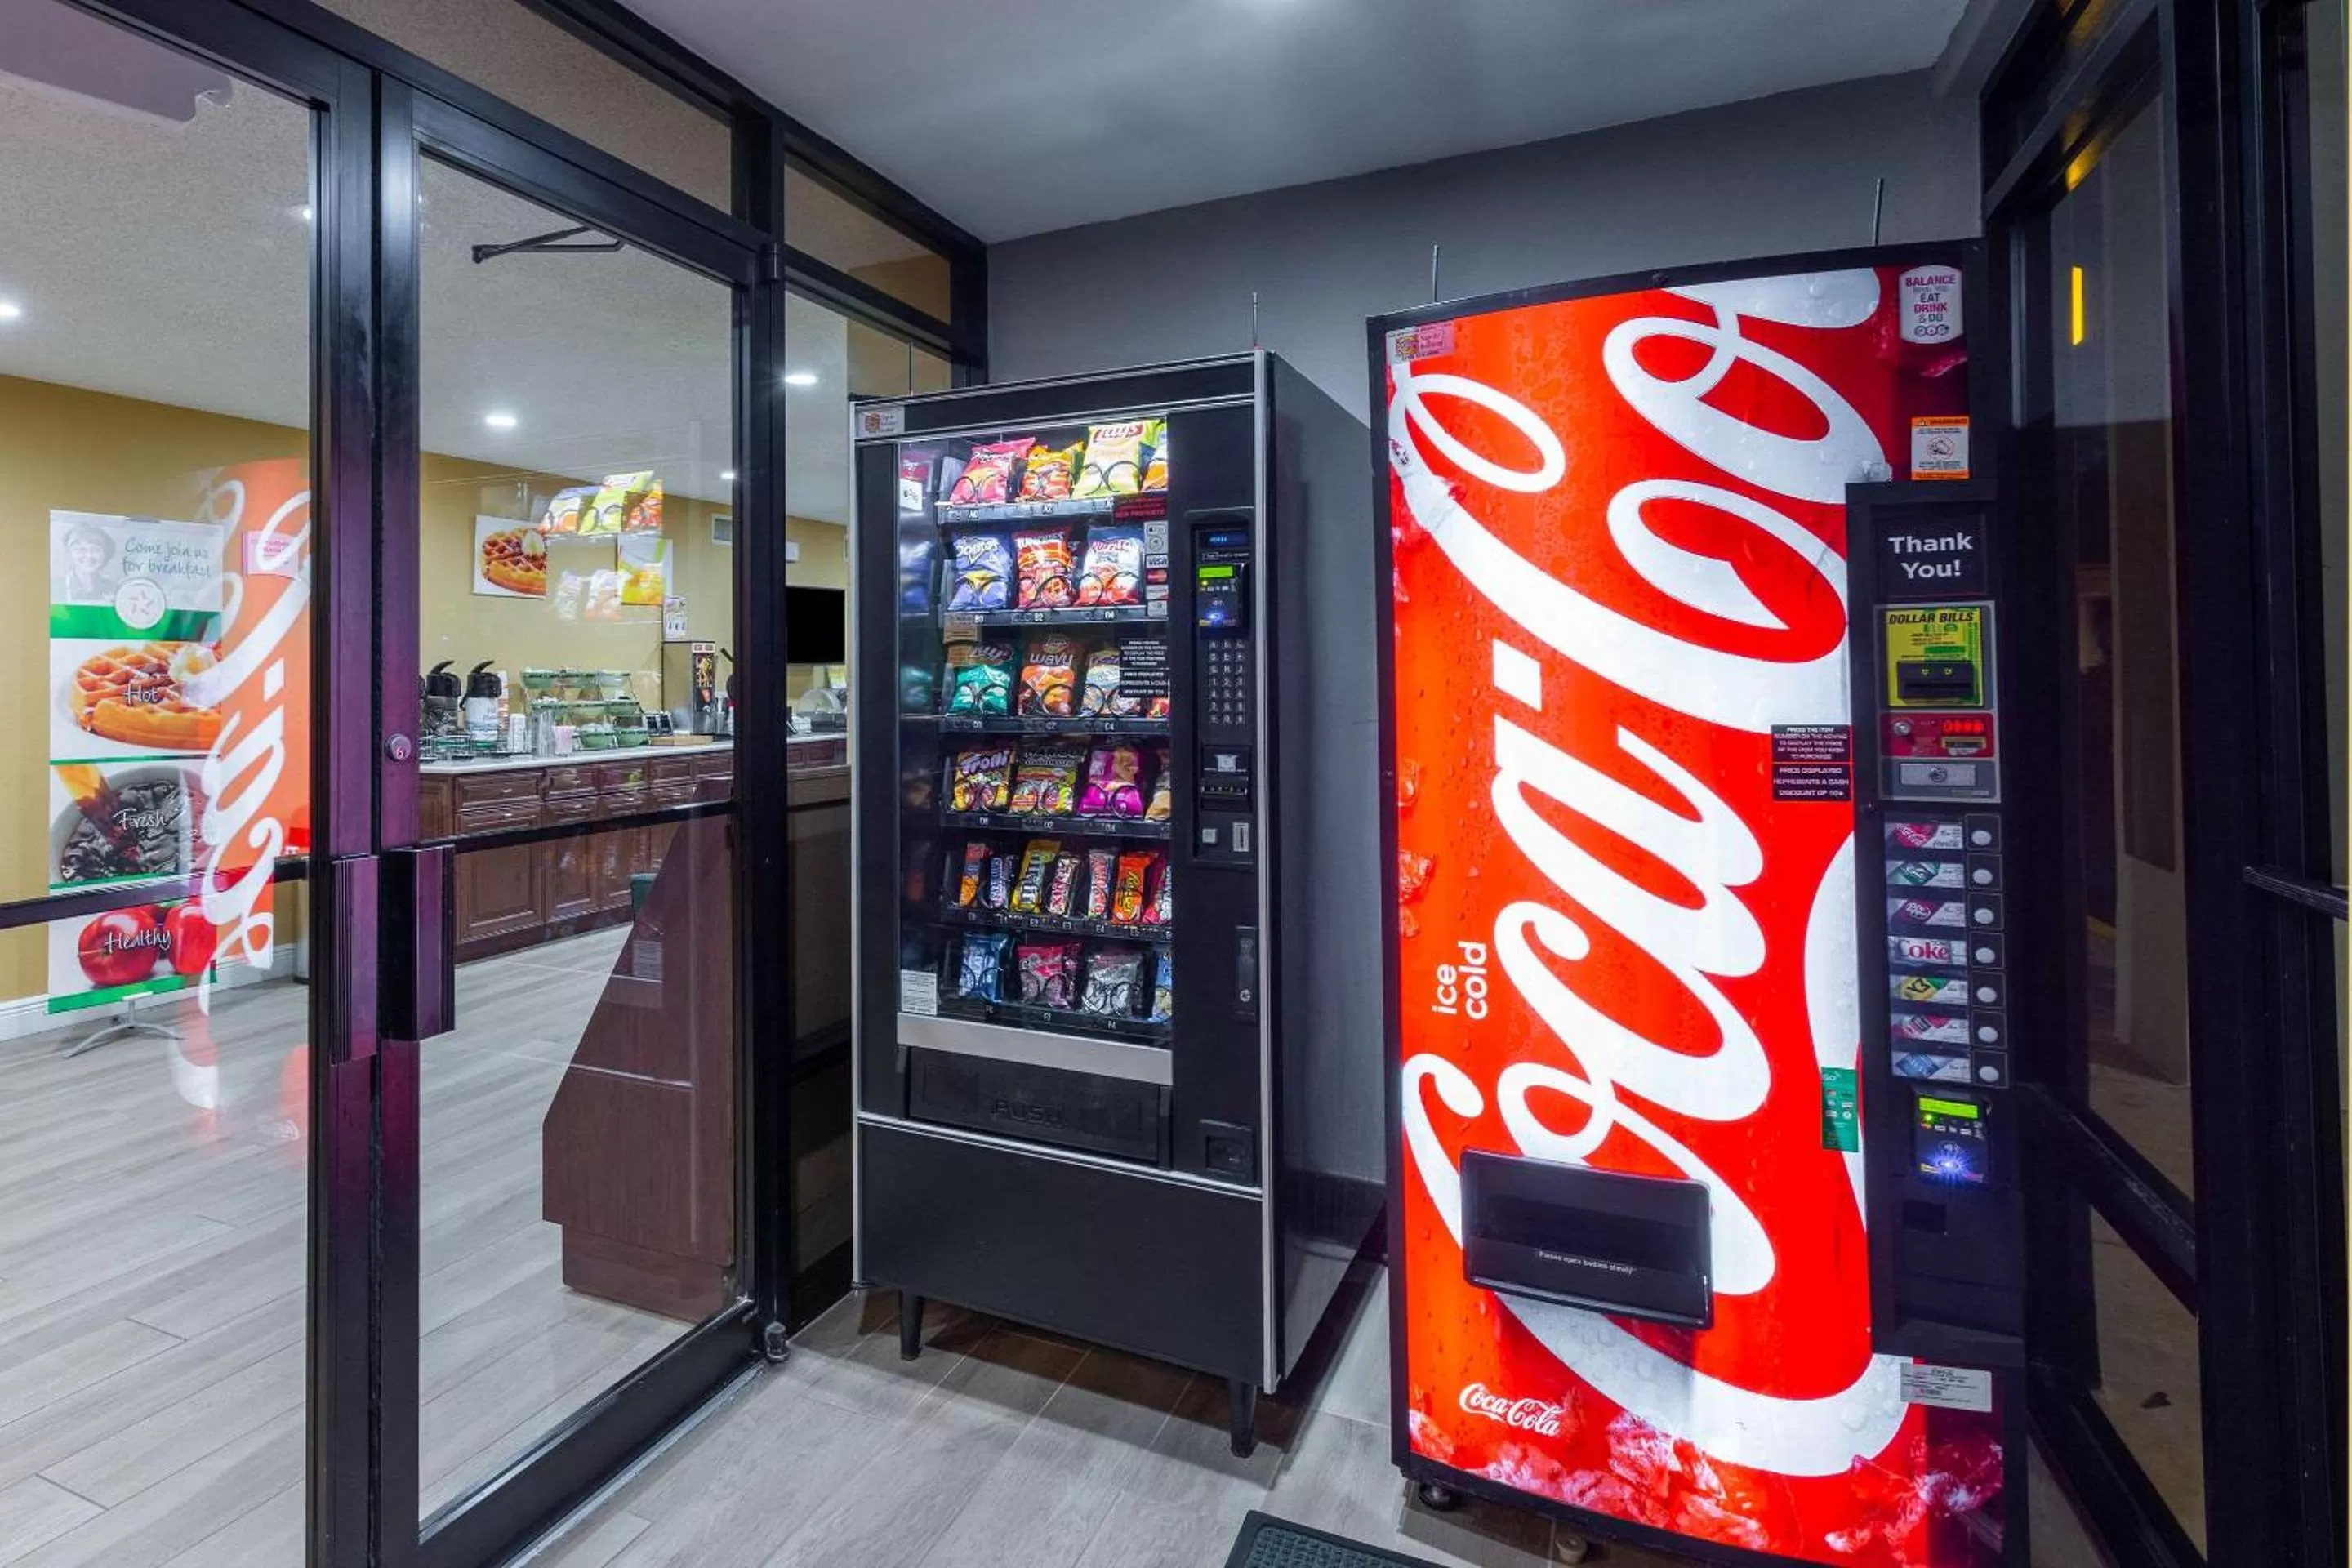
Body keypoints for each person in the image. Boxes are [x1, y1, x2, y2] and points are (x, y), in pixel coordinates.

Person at [60, 519, 122, 603]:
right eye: (80, 550)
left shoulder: (116, 590)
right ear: (69, 554)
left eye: (95, 550)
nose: (88, 556)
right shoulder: (56, 587)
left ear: (107, 554)